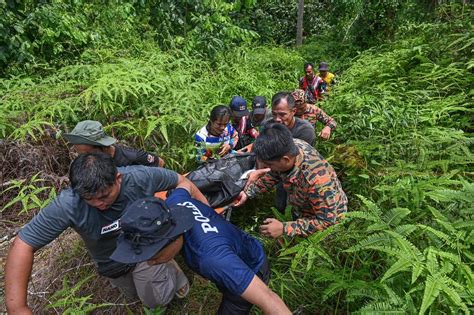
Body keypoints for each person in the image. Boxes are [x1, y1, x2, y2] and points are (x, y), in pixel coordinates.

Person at [5, 153, 210, 313]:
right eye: (90, 199)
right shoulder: (69, 204)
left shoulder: (140, 177)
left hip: (146, 247)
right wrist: (18, 308)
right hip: (110, 261)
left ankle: (170, 273)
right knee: (132, 295)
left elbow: (183, 182)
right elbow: (23, 244)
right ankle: (165, 273)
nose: (98, 204)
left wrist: (206, 221)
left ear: (118, 178)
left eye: (104, 195)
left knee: (155, 298)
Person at [111, 187, 292, 315]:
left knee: (236, 301)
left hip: (250, 265)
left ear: (173, 238)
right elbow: (184, 184)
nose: (150, 262)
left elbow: (270, 299)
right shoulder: (176, 204)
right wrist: (208, 210)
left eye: (154, 256)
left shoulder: (212, 259)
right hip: (237, 245)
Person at [234, 123, 348, 239]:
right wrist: (248, 192)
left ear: (285, 160)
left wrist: (285, 228)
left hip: (323, 223)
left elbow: (329, 222)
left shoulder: (317, 182)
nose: (265, 167)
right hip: (302, 206)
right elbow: (273, 173)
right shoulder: (289, 146)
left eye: (268, 164)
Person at [63, 120, 165, 167]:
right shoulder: (91, 163)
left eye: (86, 154)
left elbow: (159, 162)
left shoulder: (131, 157)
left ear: (101, 147)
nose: (83, 158)